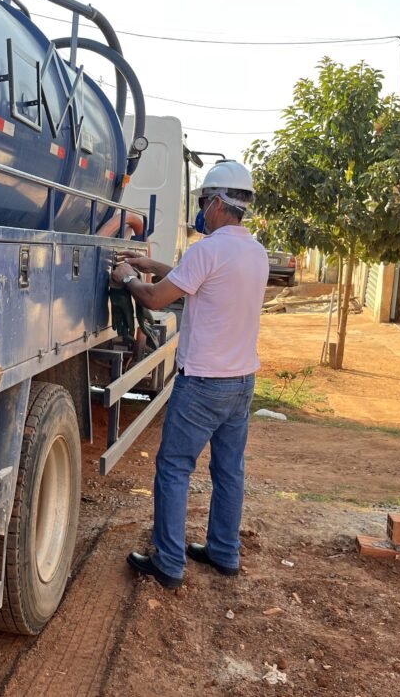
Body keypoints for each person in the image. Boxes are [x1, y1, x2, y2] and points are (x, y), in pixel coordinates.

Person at [109, 160, 269, 588]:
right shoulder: (255, 252)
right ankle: (223, 551)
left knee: (174, 467)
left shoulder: (207, 251)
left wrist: (128, 278)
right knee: (229, 470)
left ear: (218, 203)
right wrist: (154, 262)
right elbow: (200, 281)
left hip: (203, 384)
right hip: (241, 383)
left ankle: (169, 562)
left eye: (203, 201)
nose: (201, 209)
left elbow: (157, 300)